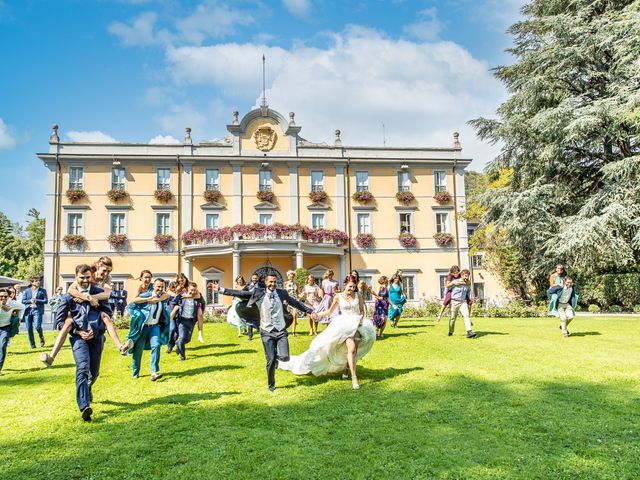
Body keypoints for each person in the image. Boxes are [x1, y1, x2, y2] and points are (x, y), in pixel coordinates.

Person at [212, 274, 316, 392]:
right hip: (267, 331)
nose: (273, 284)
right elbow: (241, 294)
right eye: (270, 282)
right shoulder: (258, 292)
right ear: (266, 282)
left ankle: (277, 359)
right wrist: (221, 290)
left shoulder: (282, 293)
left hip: (281, 329)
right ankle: (271, 385)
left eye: (274, 282)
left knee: (285, 357)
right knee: (270, 360)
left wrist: (309, 311)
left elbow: (295, 303)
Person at [279, 275, 376, 390]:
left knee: (352, 350)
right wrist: (316, 314)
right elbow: (329, 311)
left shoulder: (358, 295)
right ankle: (354, 377)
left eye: (354, 287)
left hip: (358, 325)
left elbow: (361, 311)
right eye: (350, 287)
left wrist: (360, 319)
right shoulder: (338, 296)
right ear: (345, 284)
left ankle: (346, 370)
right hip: (344, 325)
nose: (351, 289)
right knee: (351, 349)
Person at [53, 264, 113, 421]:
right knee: (82, 368)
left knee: (94, 373)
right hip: (79, 339)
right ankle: (84, 406)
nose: (85, 280)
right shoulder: (68, 297)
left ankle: (87, 388)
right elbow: (59, 321)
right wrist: (77, 331)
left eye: (87, 277)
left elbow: (107, 314)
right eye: (82, 278)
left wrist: (97, 330)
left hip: (97, 338)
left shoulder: (99, 293)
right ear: (76, 278)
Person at [41, 258, 124, 367]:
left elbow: (106, 294)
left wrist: (89, 298)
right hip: (80, 306)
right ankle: (52, 356)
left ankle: (120, 346)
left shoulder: (108, 278)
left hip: (95, 306)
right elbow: (71, 290)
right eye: (104, 270)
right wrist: (86, 297)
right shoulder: (87, 273)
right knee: (67, 324)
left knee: (105, 317)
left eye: (109, 271)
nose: (106, 273)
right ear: (98, 265)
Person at [129, 278, 170, 380]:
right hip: (143, 327)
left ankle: (154, 372)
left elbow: (169, 295)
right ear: (154, 286)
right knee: (138, 350)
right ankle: (135, 372)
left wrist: (158, 299)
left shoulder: (162, 297)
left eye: (162, 287)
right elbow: (132, 303)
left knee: (156, 346)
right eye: (158, 286)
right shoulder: (146, 296)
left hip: (155, 327)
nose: (160, 289)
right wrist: (148, 300)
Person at [170, 282, 204, 361]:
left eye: (195, 290)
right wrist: (175, 308)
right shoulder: (182, 296)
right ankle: (182, 357)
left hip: (191, 321)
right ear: (187, 289)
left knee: (187, 340)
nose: (193, 292)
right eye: (191, 290)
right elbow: (173, 302)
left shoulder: (197, 299)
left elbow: (201, 305)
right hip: (182, 320)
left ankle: (178, 344)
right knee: (182, 338)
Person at [0, 288, 23, 376]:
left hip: (5, 328)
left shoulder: (12, 304)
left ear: (8, 297)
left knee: (2, 346)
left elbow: (22, 307)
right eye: (1, 296)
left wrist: (18, 317)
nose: (3, 298)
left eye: (5, 296)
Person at [448, 269, 476, 338]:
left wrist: (469, 300)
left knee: (466, 315)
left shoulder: (468, 284)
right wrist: (453, 283)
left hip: (463, 302)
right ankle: (451, 331)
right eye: (465, 276)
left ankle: (469, 332)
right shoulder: (456, 281)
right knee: (452, 318)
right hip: (454, 301)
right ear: (462, 275)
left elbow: (468, 292)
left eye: (468, 276)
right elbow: (447, 286)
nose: (466, 277)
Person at [21, 276, 48, 348]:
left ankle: (41, 337)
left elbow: (46, 300)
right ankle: (32, 345)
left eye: (38, 281)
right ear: (32, 282)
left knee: (37, 326)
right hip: (28, 310)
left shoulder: (43, 290)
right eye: (36, 281)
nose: (38, 282)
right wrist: (30, 300)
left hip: (37, 310)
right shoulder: (27, 291)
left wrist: (37, 300)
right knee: (29, 328)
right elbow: (23, 301)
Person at [284, 270, 301, 336]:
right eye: (289, 275)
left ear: (293, 276)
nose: (290, 277)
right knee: (287, 317)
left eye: (292, 276)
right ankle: (285, 330)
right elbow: (284, 292)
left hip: (294, 301)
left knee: (294, 315)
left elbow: (298, 293)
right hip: (287, 301)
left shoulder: (296, 284)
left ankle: (293, 332)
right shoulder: (285, 283)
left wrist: (301, 295)